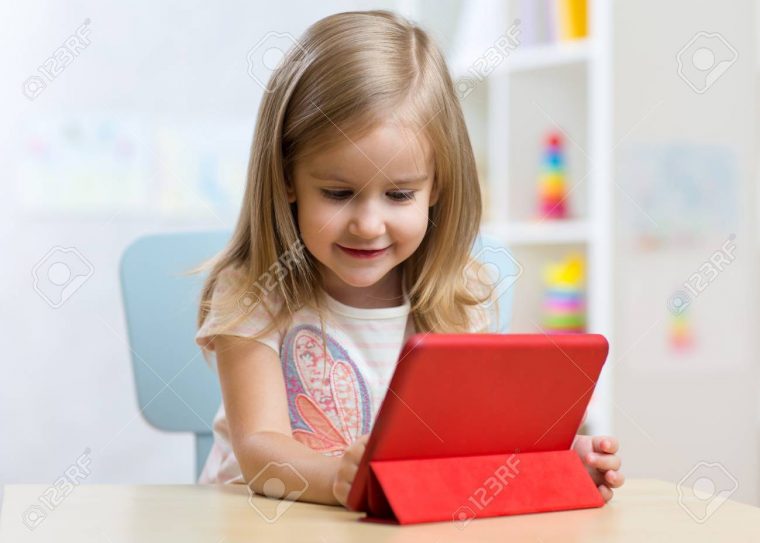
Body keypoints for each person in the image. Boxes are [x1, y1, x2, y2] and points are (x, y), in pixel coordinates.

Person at [195, 9, 624, 508]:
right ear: (287, 178)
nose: (369, 224)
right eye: (338, 193)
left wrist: (549, 458)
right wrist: (340, 478)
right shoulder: (254, 294)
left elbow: (471, 443)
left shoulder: (458, 299)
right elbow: (258, 449)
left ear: (436, 186)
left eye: (398, 195)